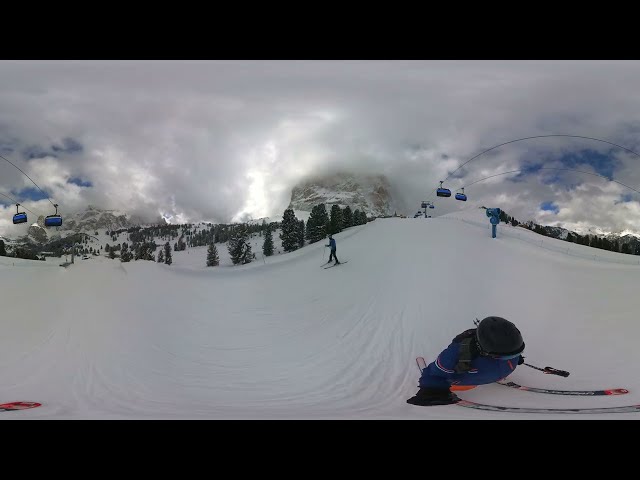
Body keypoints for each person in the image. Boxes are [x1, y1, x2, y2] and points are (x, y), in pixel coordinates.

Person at [407, 316, 525, 406]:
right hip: (469, 383)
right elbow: (434, 373)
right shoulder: (457, 353)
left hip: (493, 373)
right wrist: (432, 391)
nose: (510, 358)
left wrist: (516, 357)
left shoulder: (508, 345)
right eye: (505, 356)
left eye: (515, 354)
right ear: (482, 349)